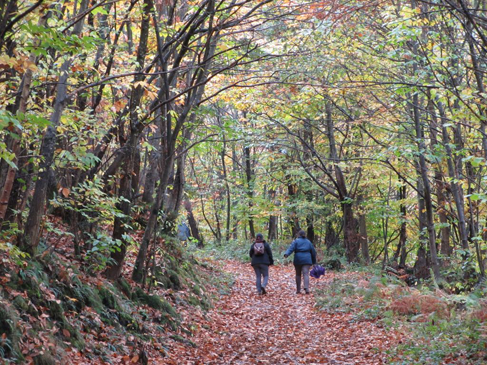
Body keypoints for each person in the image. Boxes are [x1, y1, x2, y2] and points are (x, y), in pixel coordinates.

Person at [284, 230, 317, 294]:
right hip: (307, 259)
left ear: (298, 235)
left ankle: (298, 290)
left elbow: (291, 248)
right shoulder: (308, 242)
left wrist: (287, 254)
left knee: (298, 274)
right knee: (306, 274)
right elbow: (313, 252)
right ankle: (306, 287)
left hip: (298, 259)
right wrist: (314, 262)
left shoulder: (296, 241)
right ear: (305, 235)